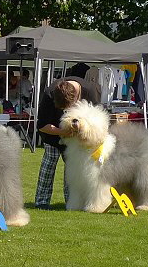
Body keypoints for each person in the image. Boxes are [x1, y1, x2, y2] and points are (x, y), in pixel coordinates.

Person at [34, 76, 100, 209]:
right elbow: (41, 125)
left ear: (76, 98)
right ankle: (41, 201)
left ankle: (70, 200)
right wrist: (62, 132)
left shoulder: (91, 91)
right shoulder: (49, 93)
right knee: (49, 164)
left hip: (76, 140)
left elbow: (97, 118)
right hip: (53, 135)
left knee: (72, 168)